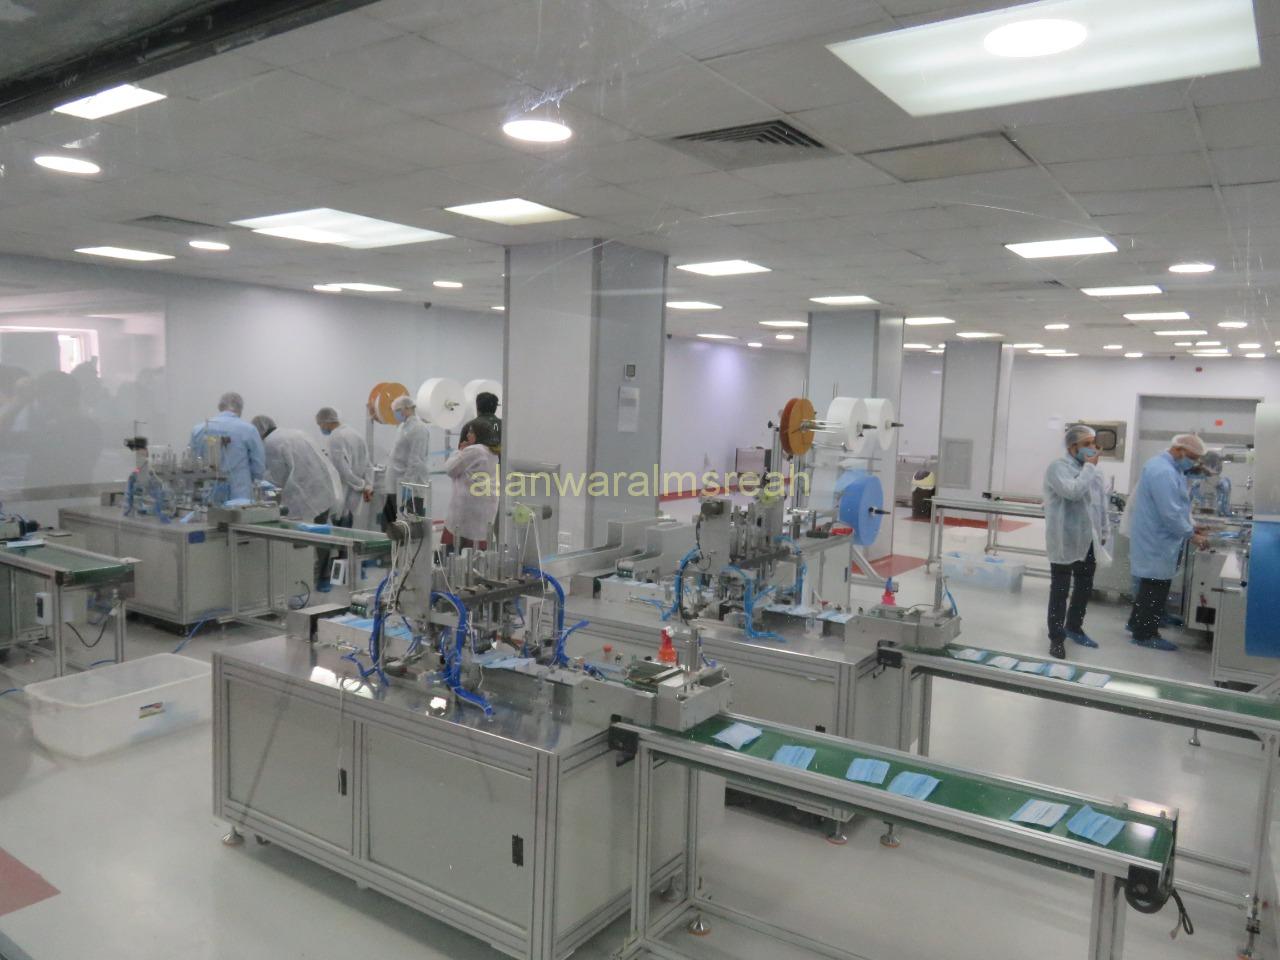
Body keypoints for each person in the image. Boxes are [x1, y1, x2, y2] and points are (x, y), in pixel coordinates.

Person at [1127, 434, 1208, 651]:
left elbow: (1178, 507)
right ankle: (1145, 634)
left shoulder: (1170, 469)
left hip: (1159, 537)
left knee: (1151, 584)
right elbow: (1170, 513)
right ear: (1180, 450)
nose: (1193, 463)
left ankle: (1137, 624)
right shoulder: (1163, 471)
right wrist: (1191, 534)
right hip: (1156, 538)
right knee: (1155, 585)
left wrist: (1191, 526)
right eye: (1192, 458)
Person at [1042, 425, 1101, 659]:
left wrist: (1103, 531)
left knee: (1084, 587)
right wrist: (1090, 468)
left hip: (1087, 539)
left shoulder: (1090, 469)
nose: (1092, 448)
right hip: (1063, 538)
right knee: (1060, 590)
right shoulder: (1058, 467)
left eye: (1093, 443)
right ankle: (1056, 638)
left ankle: (1074, 627)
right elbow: (1072, 492)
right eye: (1087, 444)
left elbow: (1098, 502)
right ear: (1072, 446)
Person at [191, 391, 264, 503]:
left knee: (208, 513)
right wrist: (254, 481)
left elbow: (193, 462)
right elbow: (258, 466)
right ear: (240, 409)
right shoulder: (248, 430)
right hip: (239, 495)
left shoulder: (199, 430)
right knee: (237, 514)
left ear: (220, 407)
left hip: (208, 493)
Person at [441, 419, 499, 551]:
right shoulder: (492, 452)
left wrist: (459, 451)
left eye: (471, 432)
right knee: (478, 553)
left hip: (467, 509)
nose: (467, 435)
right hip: (486, 507)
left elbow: (450, 469)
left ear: (480, 434)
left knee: (453, 551)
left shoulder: (475, 450)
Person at [315, 406, 372, 527]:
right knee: (347, 528)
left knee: (338, 529)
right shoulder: (355, 434)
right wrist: (368, 485)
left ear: (326, 422)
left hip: (342, 492)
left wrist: (362, 485)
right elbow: (367, 463)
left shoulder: (335, 437)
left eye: (320, 424)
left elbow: (341, 470)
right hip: (353, 494)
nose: (321, 428)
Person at [384, 394, 431, 526]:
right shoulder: (402, 427)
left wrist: (406, 485)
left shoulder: (419, 428)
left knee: (409, 528)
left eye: (397, 411)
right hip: (396, 485)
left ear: (407, 409)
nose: (395, 414)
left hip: (410, 488)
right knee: (390, 525)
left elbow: (416, 460)